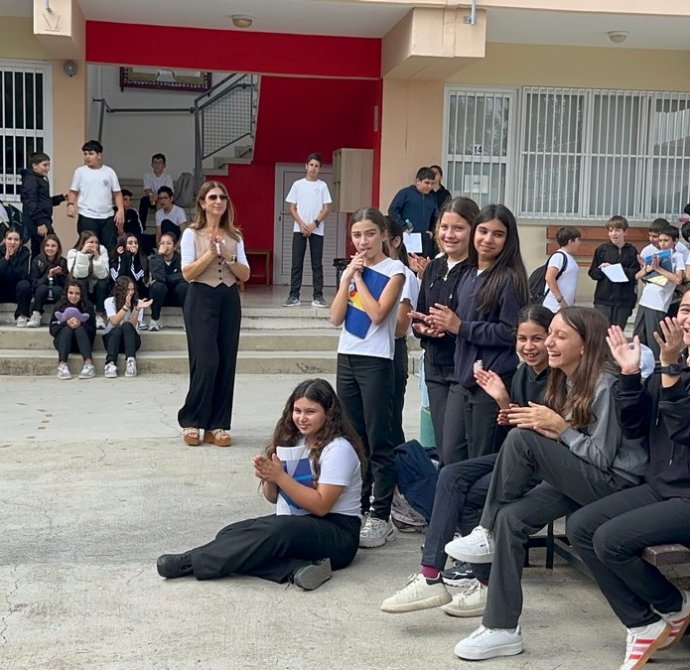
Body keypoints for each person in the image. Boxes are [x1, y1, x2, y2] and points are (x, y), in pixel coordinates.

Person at [447, 307, 649, 662]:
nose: (548, 343)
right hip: (585, 474)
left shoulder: (606, 383)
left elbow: (601, 457)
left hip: (617, 485)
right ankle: (501, 629)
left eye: (559, 336)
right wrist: (543, 425)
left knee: (522, 441)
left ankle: (485, 531)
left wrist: (560, 429)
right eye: (550, 334)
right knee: (511, 518)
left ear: (584, 345)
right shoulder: (567, 379)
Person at [381, 305, 553, 616]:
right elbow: (517, 431)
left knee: (464, 494)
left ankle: (482, 583)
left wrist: (510, 407)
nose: (529, 346)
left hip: (545, 466)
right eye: (523, 339)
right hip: (517, 457)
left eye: (537, 338)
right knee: (450, 475)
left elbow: (547, 435)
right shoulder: (522, 373)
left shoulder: (559, 376)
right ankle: (432, 576)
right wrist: (503, 400)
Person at [567, 314, 690, 670]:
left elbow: (683, 431)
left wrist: (669, 368)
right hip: (661, 486)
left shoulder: (672, 369)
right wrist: (631, 374)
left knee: (610, 540)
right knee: (580, 526)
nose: (687, 318)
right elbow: (636, 426)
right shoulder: (673, 368)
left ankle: (668, 605)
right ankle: (647, 620)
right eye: (684, 309)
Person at [157, 379, 364, 590]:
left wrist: (280, 477)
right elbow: (273, 498)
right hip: (300, 520)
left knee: (272, 534)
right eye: (297, 411)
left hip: (338, 534)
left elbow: (321, 506)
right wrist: (269, 478)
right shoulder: (296, 440)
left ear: (329, 413)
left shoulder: (338, 450)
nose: (302, 418)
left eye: (310, 412)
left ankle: (189, 563)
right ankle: (297, 569)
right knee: (231, 534)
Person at [418, 204, 529, 460]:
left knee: (478, 459)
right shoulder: (469, 274)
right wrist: (437, 326)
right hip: (466, 378)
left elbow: (511, 332)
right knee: (451, 456)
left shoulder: (509, 279)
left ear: (508, 239)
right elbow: (461, 323)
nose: (488, 239)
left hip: (490, 381)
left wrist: (460, 327)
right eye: (483, 231)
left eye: (498, 234)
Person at [330, 207, 405, 547]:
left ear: (383, 235)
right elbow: (335, 318)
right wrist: (346, 278)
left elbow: (377, 314)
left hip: (376, 360)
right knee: (352, 437)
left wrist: (358, 279)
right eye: (357, 235)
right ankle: (357, 507)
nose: (363, 241)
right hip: (347, 356)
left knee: (378, 440)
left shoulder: (395, 271)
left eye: (370, 234)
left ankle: (380, 515)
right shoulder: (351, 270)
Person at [177, 181, 250, 447]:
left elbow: (245, 274)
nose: (218, 201)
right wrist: (210, 254)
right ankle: (192, 419)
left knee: (226, 361)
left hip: (228, 299)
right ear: (203, 203)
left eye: (222, 197)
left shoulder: (235, 235)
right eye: (212, 197)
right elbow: (187, 273)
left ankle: (217, 424)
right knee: (206, 361)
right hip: (200, 298)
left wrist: (228, 255)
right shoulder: (191, 233)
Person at [410, 196, 478, 465]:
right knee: (443, 445)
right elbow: (420, 313)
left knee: (455, 447)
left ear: (473, 229)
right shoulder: (435, 267)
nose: (449, 234)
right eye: (444, 227)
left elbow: (480, 322)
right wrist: (422, 327)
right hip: (434, 367)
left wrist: (452, 327)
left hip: (463, 368)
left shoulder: (478, 271)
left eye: (458, 228)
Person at [385, 217, 420, 448]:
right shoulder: (364, 273)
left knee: (389, 424)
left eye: (376, 236)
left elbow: (399, 328)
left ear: (396, 241)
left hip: (392, 351)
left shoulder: (404, 276)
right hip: (369, 351)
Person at [282, 152, 332, 308]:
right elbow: (292, 208)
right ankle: (293, 296)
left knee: (317, 264)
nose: (313, 168)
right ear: (306, 166)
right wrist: (301, 223)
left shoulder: (322, 186)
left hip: (317, 230)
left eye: (316, 166)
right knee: (297, 263)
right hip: (299, 229)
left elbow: (327, 208)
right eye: (311, 165)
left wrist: (314, 224)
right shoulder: (297, 185)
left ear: (320, 169)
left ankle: (318, 296)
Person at [633, 224, 684, 361]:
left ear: (675, 241)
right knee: (638, 336)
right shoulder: (655, 255)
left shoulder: (677, 256)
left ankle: (657, 368)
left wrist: (659, 269)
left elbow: (678, 279)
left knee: (654, 340)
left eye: (666, 240)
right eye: (660, 240)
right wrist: (647, 268)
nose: (662, 243)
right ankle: (640, 365)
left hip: (658, 304)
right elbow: (637, 276)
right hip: (645, 300)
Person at [66, 140, 123, 254]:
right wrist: (70, 204)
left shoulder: (109, 172)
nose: (87, 157)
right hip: (87, 215)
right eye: (85, 154)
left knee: (109, 249)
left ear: (99, 155)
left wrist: (120, 209)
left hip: (107, 216)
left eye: (91, 154)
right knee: (88, 247)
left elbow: (117, 193)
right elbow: (73, 192)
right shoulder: (80, 172)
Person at [588, 215, 640, 329]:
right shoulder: (602, 249)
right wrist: (602, 270)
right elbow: (592, 273)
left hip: (624, 300)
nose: (614, 234)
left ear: (625, 232)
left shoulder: (631, 251)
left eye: (617, 230)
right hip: (603, 299)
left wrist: (615, 269)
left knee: (617, 332)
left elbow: (635, 273)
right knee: (602, 331)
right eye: (611, 231)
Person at [19, 152, 66, 260]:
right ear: (34, 166)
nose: (48, 168)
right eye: (44, 165)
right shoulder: (31, 180)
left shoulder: (39, 178)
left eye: (48, 165)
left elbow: (43, 201)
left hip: (43, 219)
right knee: (50, 246)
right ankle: (42, 269)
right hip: (37, 221)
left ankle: (40, 269)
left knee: (41, 249)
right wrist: (40, 222)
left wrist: (60, 198)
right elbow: (30, 202)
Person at [102, 276, 151, 379]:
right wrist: (125, 307)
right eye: (128, 290)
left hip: (131, 341)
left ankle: (131, 362)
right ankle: (110, 363)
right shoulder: (110, 301)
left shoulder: (138, 303)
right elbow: (114, 322)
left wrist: (137, 309)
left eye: (132, 289)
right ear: (120, 290)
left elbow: (132, 326)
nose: (131, 292)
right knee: (118, 329)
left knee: (126, 325)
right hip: (113, 340)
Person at [49, 279, 97, 380]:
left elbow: (92, 331)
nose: (73, 296)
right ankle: (62, 365)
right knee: (67, 329)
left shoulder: (88, 307)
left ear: (81, 294)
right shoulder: (59, 306)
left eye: (77, 293)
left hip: (82, 343)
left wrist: (81, 323)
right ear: (66, 293)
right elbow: (52, 329)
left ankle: (88, 364)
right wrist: (66, 323)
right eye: (71, 293)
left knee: (79, 329)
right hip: (64, 342)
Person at [388, 167, 438, 258]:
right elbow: (393, 210)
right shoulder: (405, 193)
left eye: (432, 184)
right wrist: (403, 226)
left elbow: (436, 218)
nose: (430, 186)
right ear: (418, 181)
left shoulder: (432, 198)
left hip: (425, 240)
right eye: (427, 183)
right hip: (408, 238)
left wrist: (432, 231)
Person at [20, 233, 68, 328]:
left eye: (53, 246)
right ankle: (36, 315)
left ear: (58, 248)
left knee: (58, 290)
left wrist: (61, 274)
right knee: (42, 288)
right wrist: (48, 276)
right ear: (43, 247)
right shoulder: (37, 261)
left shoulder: (63, 261)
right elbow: (34, 283)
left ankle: (60, 315)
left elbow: (67, 284)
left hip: (56, 290)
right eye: (47, 245)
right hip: (40, 292)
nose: (50, 248)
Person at [67, 231, 110, 330]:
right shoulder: (73, 253)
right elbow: (77, 275)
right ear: (83, 243)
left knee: (102, 283)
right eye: (91, 242)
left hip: (97, 291)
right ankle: (84, 313)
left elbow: (103, 275)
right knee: (81, 281)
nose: (94, 245)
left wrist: (97, 257)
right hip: (81, 289)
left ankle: (99, 315)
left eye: (96, 242)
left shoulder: (102, 250)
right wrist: (82, 254)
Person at [147, 232, 188, 332]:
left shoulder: (181, 259)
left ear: (174, 247)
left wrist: (166, 278)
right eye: (162, 243)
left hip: (177, 296)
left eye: (169, 243)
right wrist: (160, 255)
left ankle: (187, 321)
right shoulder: (154, 259)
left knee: (184, 287)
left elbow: (184, 275)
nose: (165, 246)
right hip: (159, 297)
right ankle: (154, 320)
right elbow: (159, 276)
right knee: (158, 286)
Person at [542, 225, 581, 313]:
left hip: (564, 307)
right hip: (554, 307)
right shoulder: (559, 256)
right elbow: (549, 277)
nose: (580, 243)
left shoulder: (569, 258)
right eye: (578, 240)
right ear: (570, 241)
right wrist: (560, 299)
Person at [0, 227, 31, 327]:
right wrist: (6, 259)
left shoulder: (25, 253)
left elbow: (23, 275)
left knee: (25, 284)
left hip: (17, 291)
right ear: (4, 240)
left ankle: (22, 315)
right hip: (2, 289)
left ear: (20, 241)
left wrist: (12, 258)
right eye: (9, 239)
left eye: (16, 240)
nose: (12, 242)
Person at [139, 153, 173, 230]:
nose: (157, 165)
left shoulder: (168, 177)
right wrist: (152, 196)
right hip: (152, 199)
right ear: (152, 165)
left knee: (168, 201)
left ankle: (166, 226)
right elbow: (147, 190)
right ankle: (141, 226)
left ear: (164, 166)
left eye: (160, 162)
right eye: (155, 162)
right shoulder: (147, 176)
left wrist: (158, 198)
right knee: (144, 201)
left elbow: (168, 191)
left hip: (163, 199)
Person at [110, 233, 149, 299]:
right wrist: (122, 258)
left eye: (136, 243)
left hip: (137, 293)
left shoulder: (142, 260)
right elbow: (119, 279)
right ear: (122, 246)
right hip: (118, 293)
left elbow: (134, 279)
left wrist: (130, 257)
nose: (134, 245)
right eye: (130, 243)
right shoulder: (114, 260)